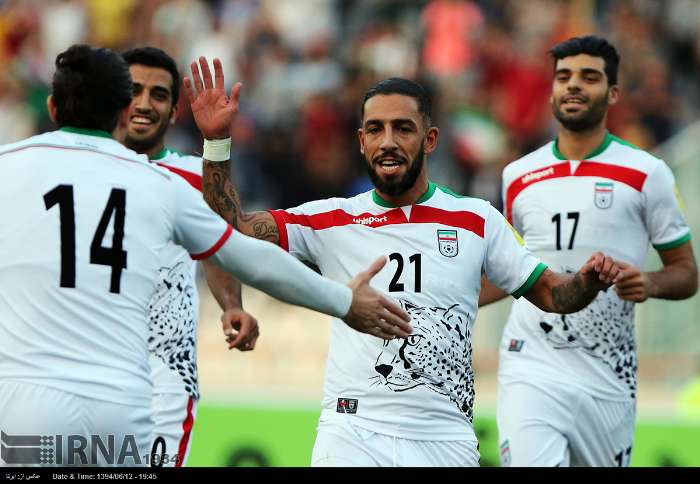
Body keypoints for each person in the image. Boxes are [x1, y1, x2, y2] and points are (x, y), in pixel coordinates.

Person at [188, 56, 626, 467]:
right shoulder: (330, 219)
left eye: (403, 129)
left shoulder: (478, 220)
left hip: (444, 438)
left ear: (429, 139)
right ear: (361, 141)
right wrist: (217, 143)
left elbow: (552, 294)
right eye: (375, 129)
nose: (388, 142)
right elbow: (229, 231)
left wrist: (587, 281)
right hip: (352, 430)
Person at [0, 44, 411, 467]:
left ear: (52, 107)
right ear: (122, 113)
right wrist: (343, 301)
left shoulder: (8, 166)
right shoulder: (159, 185)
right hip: (117, 403)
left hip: (24, 400)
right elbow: (250, 258)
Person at [481, 35, 698, 467]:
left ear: (613, 93)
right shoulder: (518, 176)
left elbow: (686, 272)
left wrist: (649, 282)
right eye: (564, 77)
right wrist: (439, 302)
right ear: (552, 92)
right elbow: (509, 273)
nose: (574, 85)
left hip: (607, 373)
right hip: (531, 364)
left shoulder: (648, 173)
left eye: (589, 77)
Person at [122, 46, 253, 468]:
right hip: (89, 364)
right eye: (133, 91)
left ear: (174, 111)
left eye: (158, 95)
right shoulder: (78, 169)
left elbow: (221, 245)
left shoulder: (196, 176)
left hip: (165, 375)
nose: (145, 104)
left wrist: (232, 305)